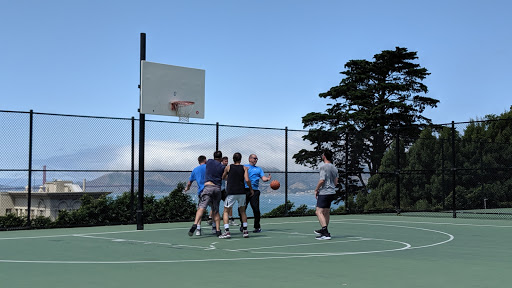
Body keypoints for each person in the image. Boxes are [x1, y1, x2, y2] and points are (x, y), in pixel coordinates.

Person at [188, 151, 226, 237]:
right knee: (215, 210)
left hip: (208, 187)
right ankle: (217, 230)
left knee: (201, 207)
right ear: (221, 158)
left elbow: (203, 162)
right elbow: (225, 176)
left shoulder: (209, 162)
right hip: (217, 188)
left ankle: (195, 224)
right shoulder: (222, 167)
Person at [219, 152, 253, 239]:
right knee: (242, 211)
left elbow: (223, 177)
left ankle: (227, 232)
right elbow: (247, 179)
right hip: (241, 192)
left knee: (226, 211)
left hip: (231, 192)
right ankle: (245, 231)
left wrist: (229, 177)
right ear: (240, 159)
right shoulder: (244, 168)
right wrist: (251, 189)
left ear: (233, 159)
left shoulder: (228, 167)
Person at [313, 149, 339, 240]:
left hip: (325, 192)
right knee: (326, 211)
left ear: (324, 156)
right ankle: (324, 229)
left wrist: (316, 190)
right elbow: (336, 182)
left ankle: (325, 233)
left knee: (318, 211)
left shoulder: (323, 167)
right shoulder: (334, 168)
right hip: (332, 192)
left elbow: (322, 180)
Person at [243, 154, 271, 233]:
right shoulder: (244, 167)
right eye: (254, 158)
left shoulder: (259, 169)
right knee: (242, 209)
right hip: (245, 190)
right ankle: (243, 225)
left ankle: (257, 227)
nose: (256, 160)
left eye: (257, 159)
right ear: (250, 159)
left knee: (256, 209)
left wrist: (268, 179)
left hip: (255, 191)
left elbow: (263, 178)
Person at [184, 155, 207, 236]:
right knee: (215, 210)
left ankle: (198, 229)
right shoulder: (208, 167)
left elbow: (190, 182)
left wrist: (187, 188)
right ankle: (215, 228)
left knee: (200, 209)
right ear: (205, 160)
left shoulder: (195, 170)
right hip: (211, 190)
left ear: (198, 161)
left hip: (201, 191)